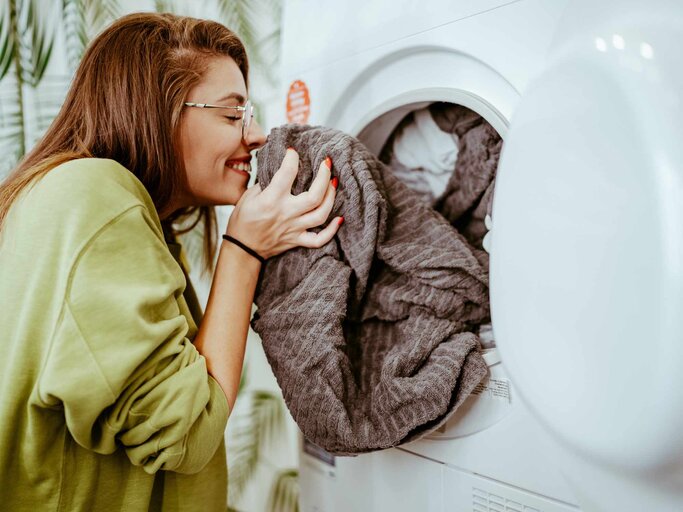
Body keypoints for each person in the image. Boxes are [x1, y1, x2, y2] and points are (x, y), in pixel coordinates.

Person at [0, 12, 341, 511]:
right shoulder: (94, 196)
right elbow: (185, 433)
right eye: (232, 115)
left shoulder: (93, 205)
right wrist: (243, 250)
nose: (258, 135)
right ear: (157, 111)